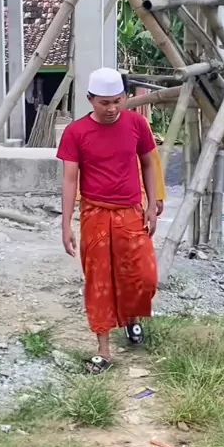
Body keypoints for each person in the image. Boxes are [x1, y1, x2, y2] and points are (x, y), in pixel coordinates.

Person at [56, 67, 160, 374]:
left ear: (124, 97)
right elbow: (69, 180)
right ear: (90, 99)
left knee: (143, 276)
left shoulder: (137, 124)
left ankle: (130, 318)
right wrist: (66, 224)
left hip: (131, 212)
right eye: (104, 102)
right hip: (96, 214)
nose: (112, 108)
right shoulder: (75, 132)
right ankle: (103, 349)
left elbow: (148, 164)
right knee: (99, 281)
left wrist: (152, 204)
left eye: (117, 101)